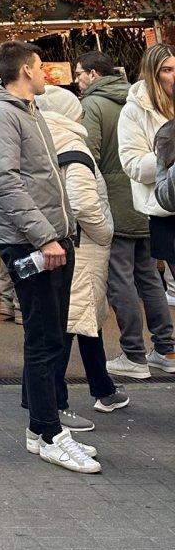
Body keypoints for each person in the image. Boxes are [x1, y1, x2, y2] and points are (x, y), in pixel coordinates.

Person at [0, 41, 96, 473]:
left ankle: (42, 428)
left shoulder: (27, 111)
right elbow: (4, 182)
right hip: (33, 243)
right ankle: (47, 433)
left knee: (50, 338)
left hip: (52, 239)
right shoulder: (1, 114)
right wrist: (45, 237)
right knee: (43, 341)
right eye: (42, 67)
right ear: (26, 70)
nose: (47, 74)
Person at [76, 48, 175, 383]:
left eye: (79, 74)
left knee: (122, 279)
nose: (77, 81)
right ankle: (165, 347)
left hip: (118, 203)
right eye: (167, 70)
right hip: (152, 203)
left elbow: (87, 156)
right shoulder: (142, 104)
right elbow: (137, 160)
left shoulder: (92, 106)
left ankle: (135, 353)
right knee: (148, 277)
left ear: (92, 75)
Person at [35, 88, 124, 421]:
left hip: (65, 245)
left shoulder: (46, 142)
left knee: (85, 320)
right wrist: (105, 232)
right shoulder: (74, 148)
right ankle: (56, 406)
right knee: (69, 325)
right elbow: (84, 203)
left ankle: (103, 388)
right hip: (84, 247)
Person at [115, 43, 175, 377]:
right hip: (167, 210)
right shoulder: (135, 110)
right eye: (167, 70)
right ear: (153, 74)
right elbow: (133, 165)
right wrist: (168, 158)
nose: (173, 77)